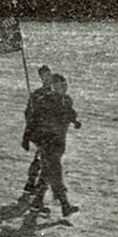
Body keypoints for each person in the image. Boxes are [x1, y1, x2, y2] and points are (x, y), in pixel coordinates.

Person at [24, 74, 81, 217]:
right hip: (47, 143)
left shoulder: (67, 100)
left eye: (66, 85)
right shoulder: (46, 101)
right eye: (62, 86)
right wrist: (28, 137)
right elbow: (34, 119)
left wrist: (75, 122)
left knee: (47, 173)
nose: (65, 88)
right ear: (54, 86)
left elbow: (70, 114)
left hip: (59, 143)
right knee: (54, 173)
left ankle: (38, 202)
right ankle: (64, 206)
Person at [21, 66, 54, 198]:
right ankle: (36, 190)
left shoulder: (53, 93)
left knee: (40, 158)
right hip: (42, 132)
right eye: (46, 76)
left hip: (50, 133)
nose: (48, 79)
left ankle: (30, 184)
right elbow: (28, 113)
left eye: (50, 75)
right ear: (42, 78)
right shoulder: (37, 94)